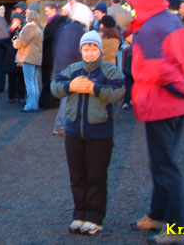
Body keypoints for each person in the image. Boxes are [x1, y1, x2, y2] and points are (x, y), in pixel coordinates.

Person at [126, 0, 184, 245]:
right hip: (176, 103)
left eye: (134, 3)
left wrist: (181, 85)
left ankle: (178, 229)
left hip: (160, 104)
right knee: (164, 161)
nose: (132, 9)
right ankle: (157, 214)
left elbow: (155, 69)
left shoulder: (150, 29)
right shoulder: (172, 21)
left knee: (164, 167)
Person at [51, 31, 125, 235]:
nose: (90, 53)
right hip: (74, 131)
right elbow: (55, 87)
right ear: (81, 50)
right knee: (77, 175)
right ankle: (79, 213)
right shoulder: (73, 69)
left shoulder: (110, 70)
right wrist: (70, 86)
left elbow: (119, 92)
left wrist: (95, 88)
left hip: (100, 133)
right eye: (86, 48)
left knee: (96, 176)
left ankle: (94, 217)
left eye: (93, 48)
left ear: (99, 50)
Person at [51, 19, 85, 136]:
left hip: (60, 66)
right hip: (71, 68)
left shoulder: (63, 30)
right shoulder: (79, 32)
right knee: (67, 98)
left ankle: (63, 124)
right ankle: (60, 126)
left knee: (66, 97)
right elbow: (78, 53)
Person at [13, 10, 43, 113]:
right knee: (34, 82)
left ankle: (30, 105)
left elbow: (23, 42)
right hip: (36, 58)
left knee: (29, 83)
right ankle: (34, 104)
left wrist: (15, 42)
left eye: (27, 16)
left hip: (28, 57)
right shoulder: (38, 28)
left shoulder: (29, 27)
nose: (25, 18)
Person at [41, 2, 68, 110]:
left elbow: (51, 37)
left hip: (51, 54)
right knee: (47, 78)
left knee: (49, 77)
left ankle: (50, 101)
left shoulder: (57, 22)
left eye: (47, 11)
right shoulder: (54, 22)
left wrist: (42, 40)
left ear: (53, 10)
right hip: (49, 53)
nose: (46, 13)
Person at [4, 13, 26, 104]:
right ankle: (12, 96)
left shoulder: (24, 28)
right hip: (11, 55)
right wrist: (12, 29)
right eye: (14, 19)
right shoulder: (9, 29)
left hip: (20, 54)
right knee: (12, 77)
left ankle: (21, 96)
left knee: (21, 77)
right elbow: (5, 38)